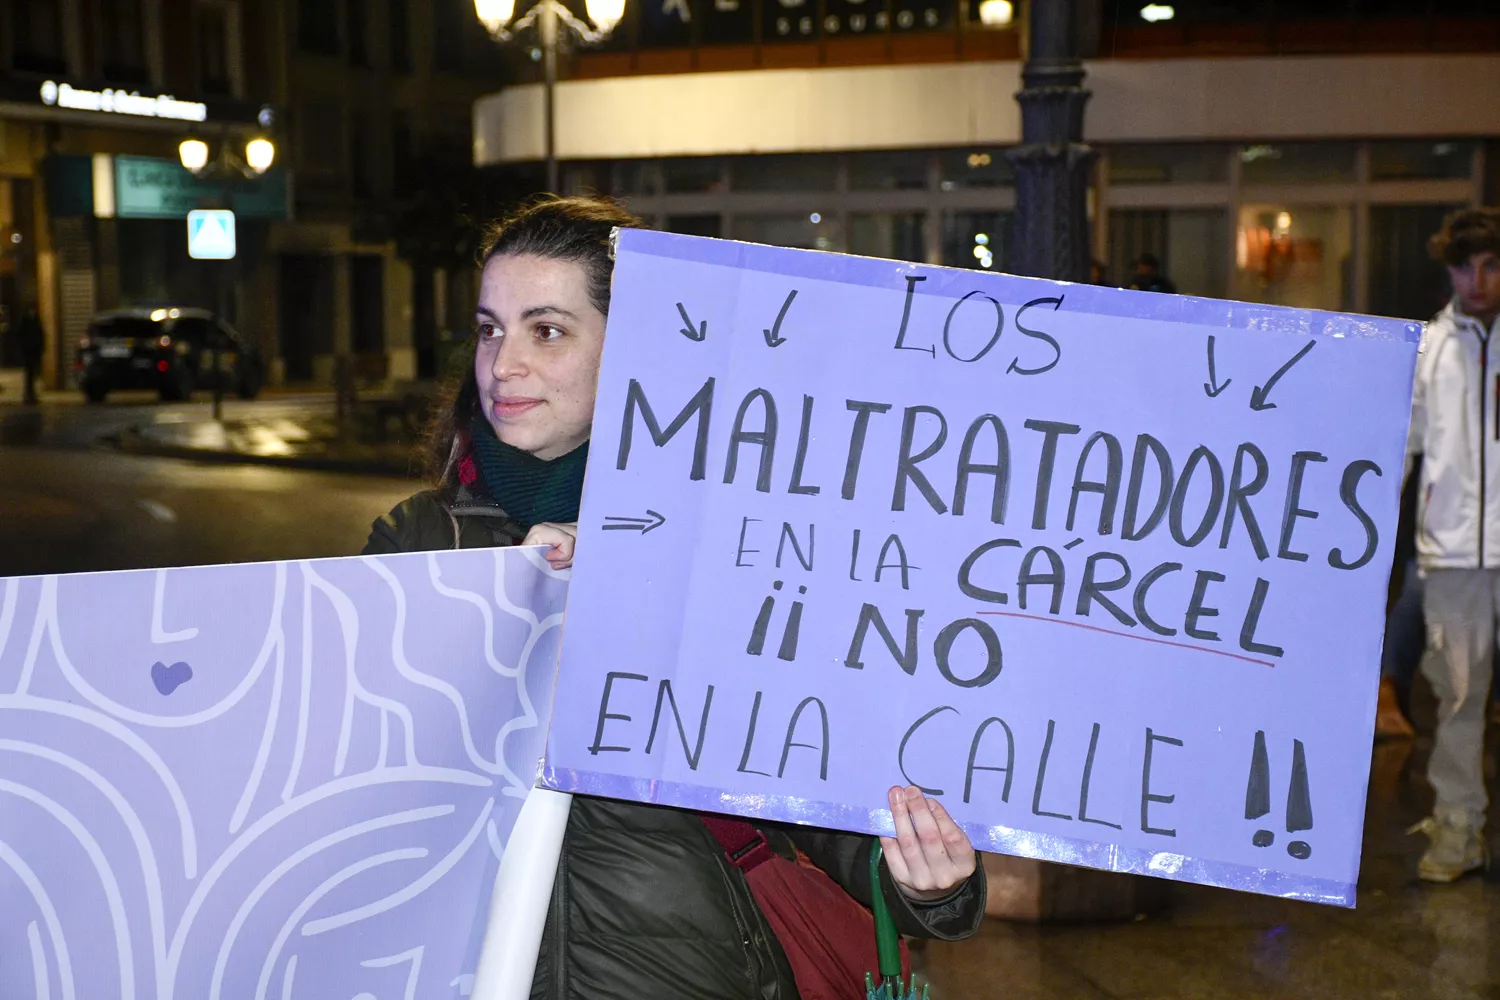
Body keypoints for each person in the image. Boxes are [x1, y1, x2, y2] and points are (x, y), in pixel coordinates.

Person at [363, 196, 986, 998]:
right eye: (491, 328)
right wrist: (510, 617)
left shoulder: (741, 536)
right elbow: (365, 784)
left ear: (634, 346)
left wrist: (921, 877)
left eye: (545, 330)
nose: (503, 363)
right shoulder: (420, 542)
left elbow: (813, 761)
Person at [1405, 207, 1500, 883]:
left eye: (1492, 264)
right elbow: (1397, 448)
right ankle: (1460, 828)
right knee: (1459, 696)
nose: (1478, 280)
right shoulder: (1428, 349)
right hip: (1454, 553)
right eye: (1465, 266)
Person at [15, 304, 43, 405]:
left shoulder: (36, 320)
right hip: (28, 353)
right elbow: (20, 335)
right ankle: (28, 394)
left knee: (33, 375)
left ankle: (31, 394)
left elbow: (40, 335)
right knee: (29, 375)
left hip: (34, 352)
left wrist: (41, 349)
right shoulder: (25, 321)